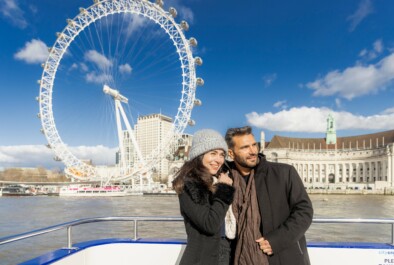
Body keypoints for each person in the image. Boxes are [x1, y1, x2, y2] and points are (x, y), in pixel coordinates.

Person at [225, 126, 313, 265]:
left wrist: (277, 240)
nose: (253, 151)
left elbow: (304, 211)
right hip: (237, 258)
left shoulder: (284, 173)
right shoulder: (224, 179)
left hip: (280, 256)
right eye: (245, 147)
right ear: (231, 153)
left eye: (254, 145)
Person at [173, 129, 235, 265]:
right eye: (213, 153)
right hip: (202, 259)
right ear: (199, 155)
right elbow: (210, 224)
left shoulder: (215, 181)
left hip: (224, 253)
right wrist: (224, 189)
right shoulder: (189, 185)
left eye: (221, 155)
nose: (218, 160)